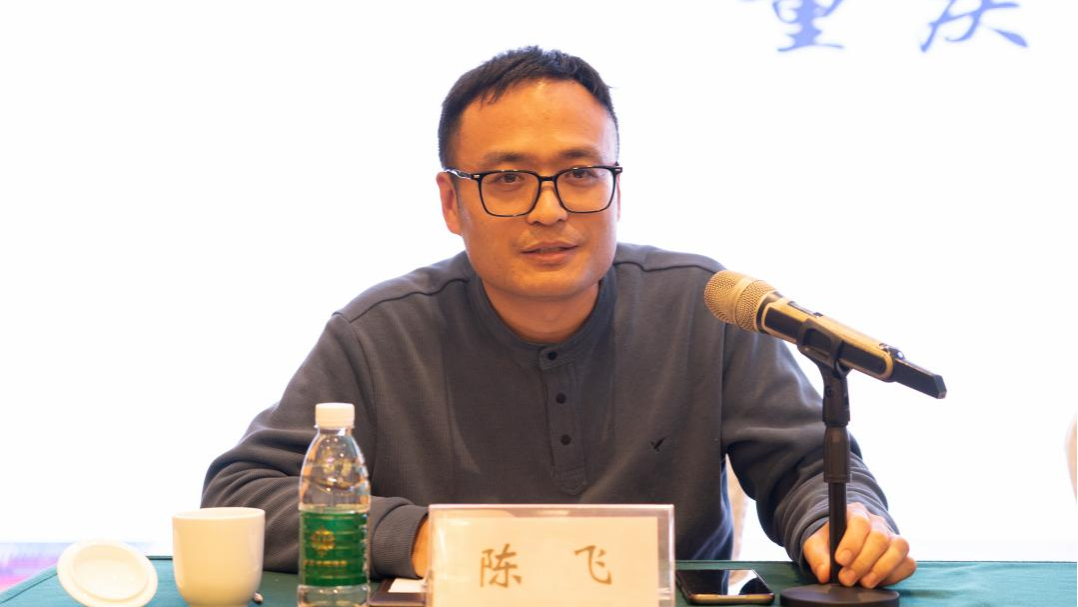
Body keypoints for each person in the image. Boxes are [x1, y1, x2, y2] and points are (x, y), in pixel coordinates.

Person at [202, 46, 915, 590]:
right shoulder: (378, 333)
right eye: (508, 179)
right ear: (451, 202)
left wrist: (840, 523)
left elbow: (804, 467)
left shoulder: (705, 309)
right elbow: (242, 495)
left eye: (579, 173)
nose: (549, 210)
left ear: (616, 190)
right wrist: (412, 537)